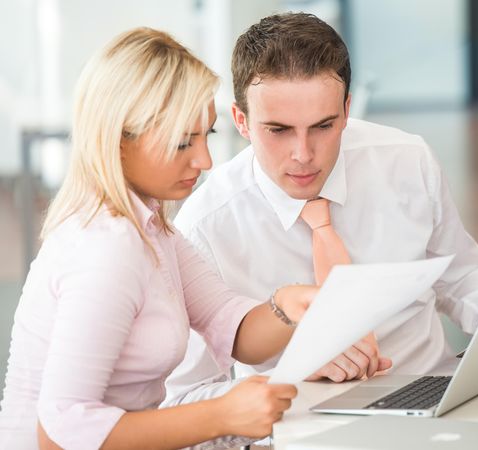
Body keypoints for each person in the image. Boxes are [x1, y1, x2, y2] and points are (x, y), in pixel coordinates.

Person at [164, 11, 478, 413]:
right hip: (299, 420)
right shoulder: (203, 227)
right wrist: (294, 375)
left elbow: (460, 276)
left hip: (433, 397)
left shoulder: (407, 160)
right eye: (279, 130)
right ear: (241, 121)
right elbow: (186, 396)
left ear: (347, 110)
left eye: (323, 126)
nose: (303, 154)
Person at [0, 27, 319, 450]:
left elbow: (231, 325)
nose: (204, 160)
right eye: (182, 143)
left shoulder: (150, 228)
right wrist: (221, 415)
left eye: (206, 135)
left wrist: (290, 306)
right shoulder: (106, 249)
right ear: (119, 142)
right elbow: (61, 432)